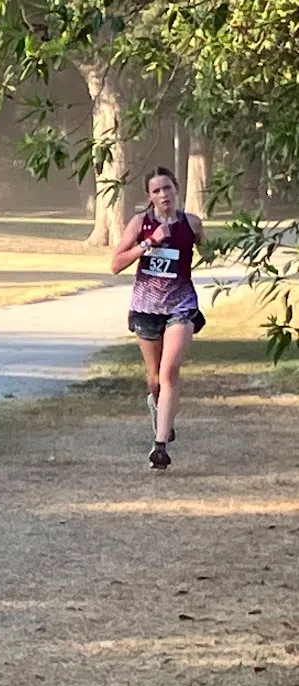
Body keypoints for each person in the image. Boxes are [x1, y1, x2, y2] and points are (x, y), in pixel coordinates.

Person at [111, 166, 207, 469]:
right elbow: (115, 264)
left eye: (167, 188)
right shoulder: (140, 223)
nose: (163, 195)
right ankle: (159, 408)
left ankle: (160, 446)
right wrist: (148, 244)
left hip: (181, 305)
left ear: (176, 189)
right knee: (154, 378)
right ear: (149, 197)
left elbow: (209, 250)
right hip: (146, 307)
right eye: (156, 191)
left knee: (169, 372)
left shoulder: (191, 223)